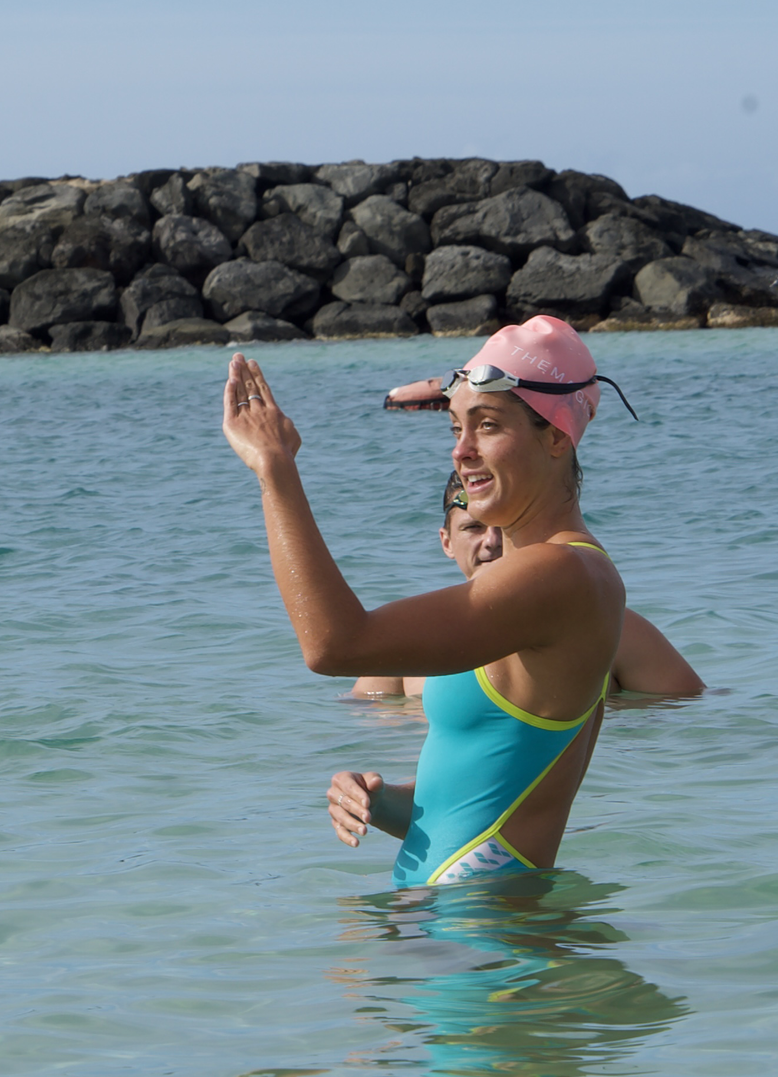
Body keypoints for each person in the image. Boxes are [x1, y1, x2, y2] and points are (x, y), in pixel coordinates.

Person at [221, 314, 633, 886]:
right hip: (469, 928)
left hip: (484, 939)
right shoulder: (552, 576)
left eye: (486, 425)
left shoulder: (564, 574)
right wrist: (382, 801)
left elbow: (333, 646)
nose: (461, 452)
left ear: (557, 436)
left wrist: (275, 469)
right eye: (455, 429)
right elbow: (488, 792)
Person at [353, 471, 703, 700]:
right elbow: (353, 728)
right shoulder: (409, 638)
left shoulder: (612, 625)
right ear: (446, 542)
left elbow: (694, 713)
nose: (491, 542)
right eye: (473, 528)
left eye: (502, 528)